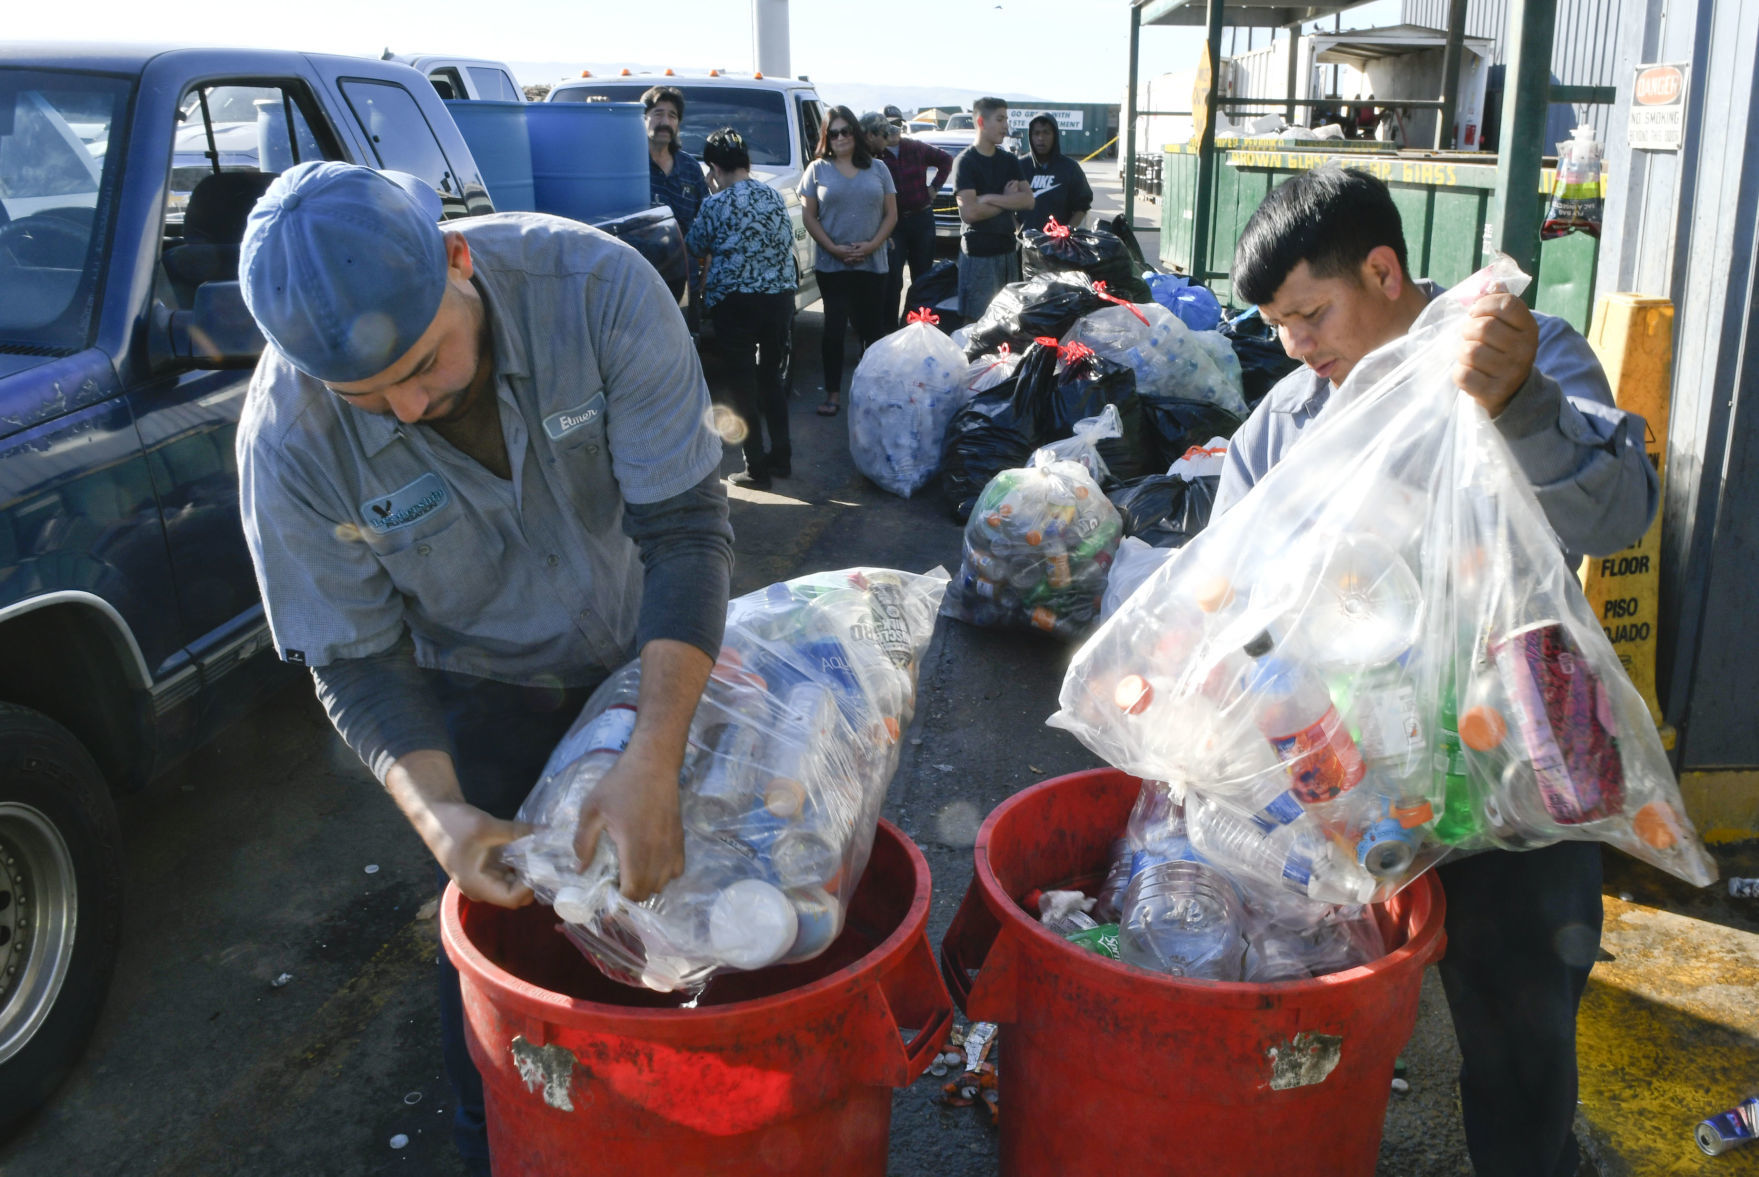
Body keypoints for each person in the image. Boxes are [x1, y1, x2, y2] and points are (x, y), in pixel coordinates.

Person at [234, 162, 733, 1177]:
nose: (409, 409)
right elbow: (356, 657)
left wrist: (655, 745)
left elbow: (685, 532)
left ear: (458, 259)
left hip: (656, 649)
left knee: (701, 927)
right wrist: (443, 818)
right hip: (483, 690)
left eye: (423, 365)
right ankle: (503, 1148)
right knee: (503, 1002)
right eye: (365, 397)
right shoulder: (287, 442)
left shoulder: (596, 291)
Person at [1214, 166, 1656, 1177]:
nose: (1296, 345)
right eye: (1279, 324)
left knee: (1521, 1029)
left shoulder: (1519, 356)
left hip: (1518, 777)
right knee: (1318, 1012)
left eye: (1310, 313)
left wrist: (1523, 408)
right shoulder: (1285, 422)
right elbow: (1231, 610)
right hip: (1353, 790)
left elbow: (1620, 510)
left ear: (1382, 268)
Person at [686, 127, 799, 489]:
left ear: (715, 168)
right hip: (779, 298)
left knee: (741, 383)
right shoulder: (774, 196)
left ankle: (755, 468)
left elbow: (694, 244)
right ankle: (781, 457)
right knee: (770, 377)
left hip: (735, 302)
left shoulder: (715, 204)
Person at [798, 104, 897, 417]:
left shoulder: (879, 169)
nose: (841, 138)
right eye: (834, 132)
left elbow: (891, 214)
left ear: (856, 133)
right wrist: (833, 248)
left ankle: (873, 393)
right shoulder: (817, 170)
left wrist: (870, 246)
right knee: (834, 330)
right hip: (833, 265)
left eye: (846, 131)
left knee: (872, 330)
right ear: (827, 136)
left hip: (873, 263)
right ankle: (832, 394)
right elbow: (809, 217)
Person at [861, 110, 952, 324]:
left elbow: (946, 160)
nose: (894, 129)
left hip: (921, 220)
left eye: (898, 124)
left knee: (923, 278)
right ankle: (889, 328)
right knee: (892, 279)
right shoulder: (876, 154)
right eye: (889, 124)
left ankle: (918, 325)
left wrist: (934, 188)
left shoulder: (915, 147)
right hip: (893, 223)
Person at [952, 96, 1034, 320]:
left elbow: (1028, 200)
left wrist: (989, 198)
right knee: (978, 326)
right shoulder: (965, 162)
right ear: (981, 122)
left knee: (1009, 323)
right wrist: (1007, 200)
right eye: (1000, 119)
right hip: (978, 257)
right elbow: (970, 213)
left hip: (1007, 253)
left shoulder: (1009, 160)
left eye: (1006, 119)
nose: (1006, 125)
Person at [642, 84, 709, 236]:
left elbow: (706, 218)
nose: (665, 122)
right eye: (658, 114)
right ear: (643, 117)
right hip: (639, 257)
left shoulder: (690, 168)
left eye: (672, 116)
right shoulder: (631, 166)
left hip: (683, 258)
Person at [1019, 113, 1093, 235]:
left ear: (1055, 135)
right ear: (1030, 136)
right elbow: (1005, 206)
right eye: (1036, 133)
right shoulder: (1019, 166)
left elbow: (1082, 206)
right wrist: (1019, 231)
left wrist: (1065, 231)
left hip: (1060, 247)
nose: (1041, 138)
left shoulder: (1070, 168)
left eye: (1046, 133)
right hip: (1024, 245)